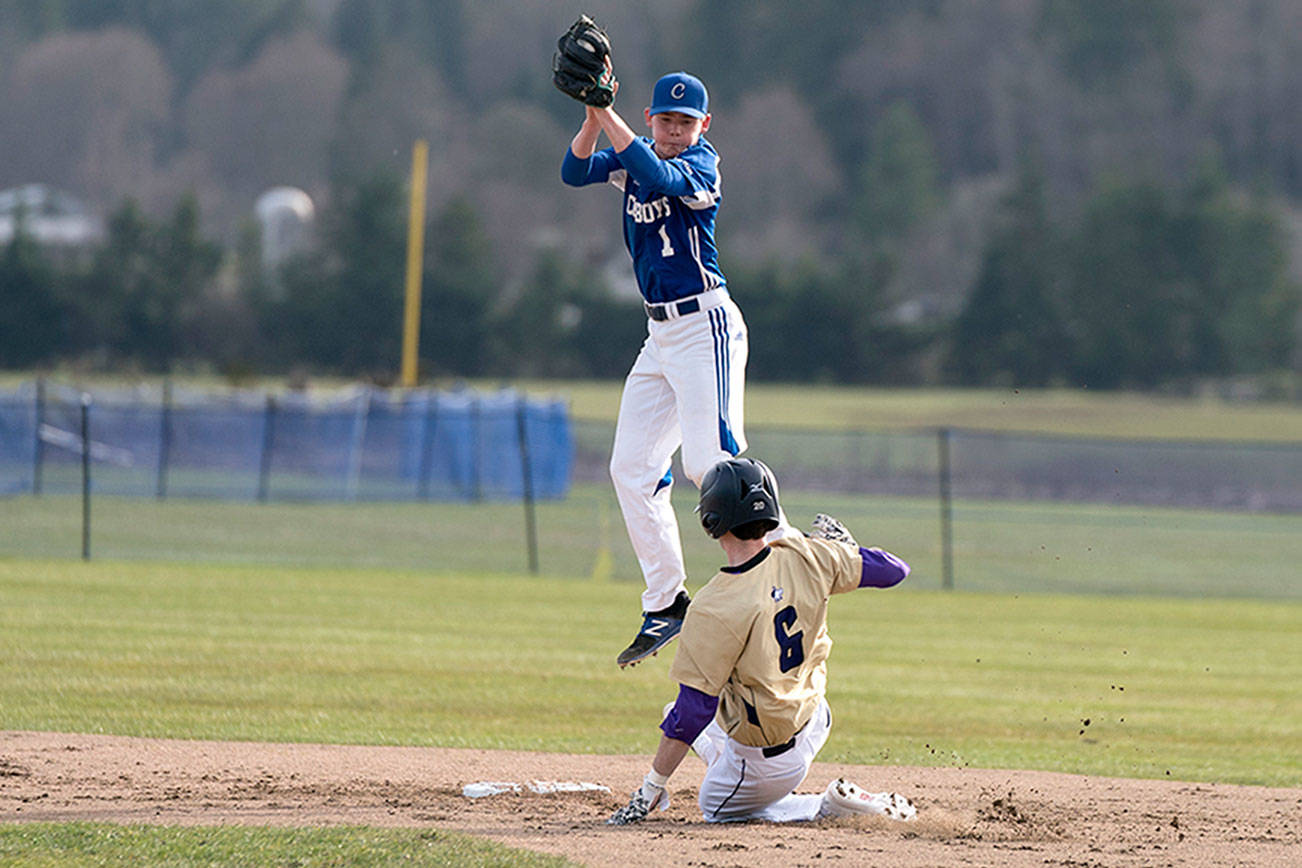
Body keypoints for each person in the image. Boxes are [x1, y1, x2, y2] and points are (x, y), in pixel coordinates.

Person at [606, 457, 917, 825]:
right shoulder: (807, 553)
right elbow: (895, 570)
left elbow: (694, 712)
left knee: (714, 806)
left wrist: (651, 788)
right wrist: (843, 552)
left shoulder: (714, 604)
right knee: (674, 711)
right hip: (814, 717)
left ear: (711, 520)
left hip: (767, 761)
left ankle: (826, 806)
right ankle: (741, 772)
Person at [562, 71, 751, 668]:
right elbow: (573, 171)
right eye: (665, 120)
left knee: (711, 464)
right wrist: (593, 115)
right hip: (660, 335)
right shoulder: (634, 151)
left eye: (685, 122)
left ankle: (787, 569)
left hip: (704, 325)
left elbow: (659, 177)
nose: (674, 130)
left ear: (704, 125)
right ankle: (667, 601)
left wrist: (606, 112)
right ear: (649, 118)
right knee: (632, 468)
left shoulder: (701, 165)